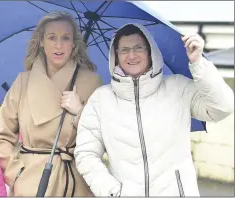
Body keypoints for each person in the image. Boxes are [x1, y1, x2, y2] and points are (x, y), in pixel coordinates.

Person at [74, 23, 234, 196]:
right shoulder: (101, 99)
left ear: (150, 52)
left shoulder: (178, 87)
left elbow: (222, 107)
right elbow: (86, 154)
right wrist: (112, 192)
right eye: (124, 49)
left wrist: (198, 63)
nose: (132, 55)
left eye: (138, 48)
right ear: (116, 55)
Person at [0, 11, 103, 196]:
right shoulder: (23, 82)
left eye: (65, 38)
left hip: (75, 184)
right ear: (41, 42)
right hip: (31, 184)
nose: (59, 45)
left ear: (74, 43)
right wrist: (16, 174)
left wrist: (80, 112)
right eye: (52, 37)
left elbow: (104, 137)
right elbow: (0, 137)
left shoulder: (91, 83)